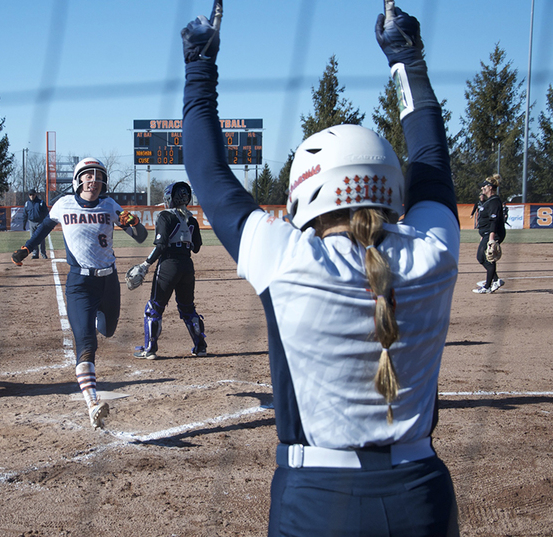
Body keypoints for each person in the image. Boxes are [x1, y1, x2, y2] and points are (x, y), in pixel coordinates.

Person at [181, 5, 459, 536]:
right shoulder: (434, 253)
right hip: (423, 496)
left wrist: (199, 65)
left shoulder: (290, 260)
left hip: (317, 501)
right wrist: (406, 58)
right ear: (392, 189)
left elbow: (207, 172)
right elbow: (432, 161)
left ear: (307, 194)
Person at [11, 157, 148, 428]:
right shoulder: (64, 204)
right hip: (79, 285)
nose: (93, 181)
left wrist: (134, 222)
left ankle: (93, 319)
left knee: (107, 331)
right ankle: (93, 404)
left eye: (98, 177)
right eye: (88, 176)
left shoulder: (111, 206)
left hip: (109, 283)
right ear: (78, 179)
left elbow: (141, 236)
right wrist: (27, 249)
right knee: (87, 345)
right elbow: (43, 229)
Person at [133, 181, 206, 359]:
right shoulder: (192, 219)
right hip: (187, 266)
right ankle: (200, 346)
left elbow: (161, 245)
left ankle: (150, 349)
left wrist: (146, 264)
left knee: (154, 308)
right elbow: (196, 247)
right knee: (187, 308)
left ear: (169, 199)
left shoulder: (164, 216)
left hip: (168, 265)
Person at [473, 174, 506, 294]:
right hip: (487, 233)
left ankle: (487, 286)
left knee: (486, 258)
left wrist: (491, 238)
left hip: (492, 233)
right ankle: (496, 280)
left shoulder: (494, 201)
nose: (482, 189)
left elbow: (494, 221)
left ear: (490, 187)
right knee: (481, 258)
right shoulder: (489, 201)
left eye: (484, 186)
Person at [24, 188, 49, 259]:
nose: (31, 196)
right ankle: (35, 254)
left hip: (40, 222)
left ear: (35, 195)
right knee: (33, 239)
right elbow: (25, 214)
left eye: (33, 194)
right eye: (30, 195)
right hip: (31, 222)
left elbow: (46, 213)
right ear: (28, 195)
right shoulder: (27, 204)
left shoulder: (41, 202)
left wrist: (46, 222)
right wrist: (24, 223)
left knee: (41, 238)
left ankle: (43, 253)